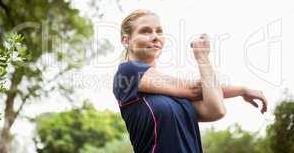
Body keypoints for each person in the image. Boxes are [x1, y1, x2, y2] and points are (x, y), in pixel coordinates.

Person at [112, 9, 268, 153]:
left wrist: (204, 60)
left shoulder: (176, 98)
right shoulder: (127, 72)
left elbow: (216, 110)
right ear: (126, 40)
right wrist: (241, 90)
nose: (155, 36)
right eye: (145, 31)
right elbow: (194, 89)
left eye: (159, 31)